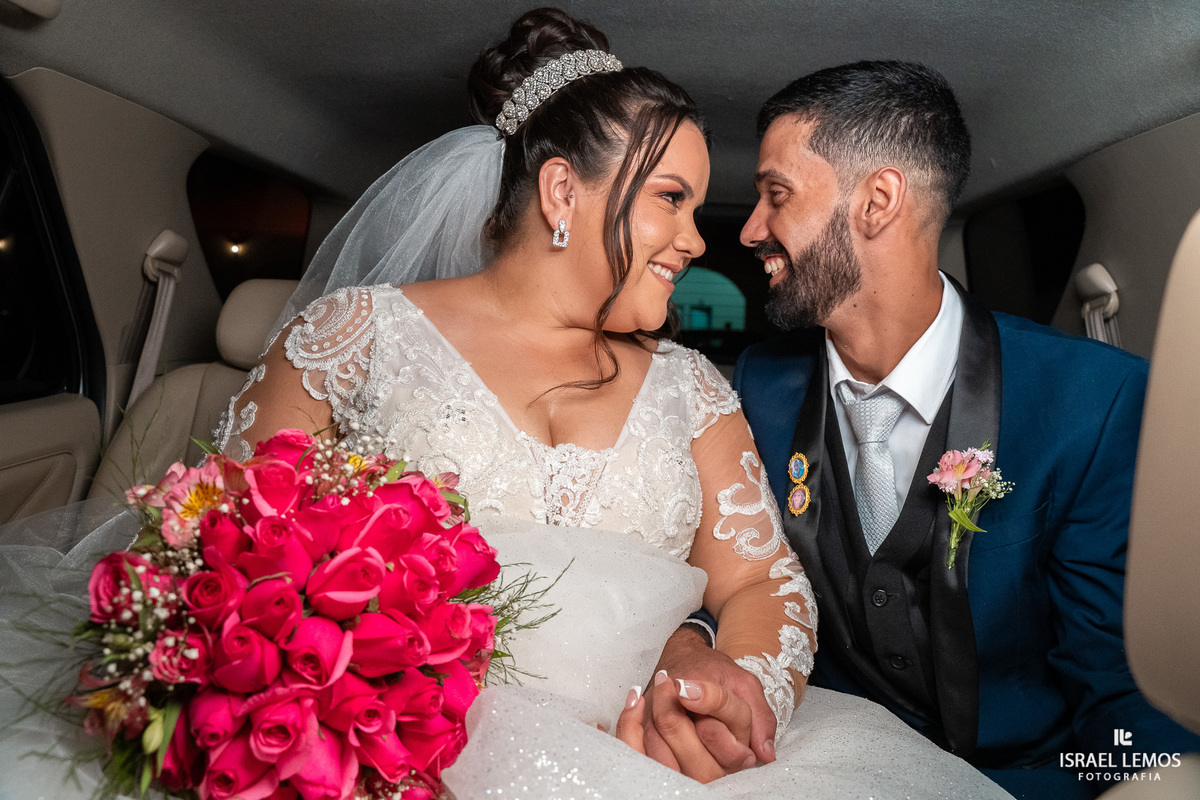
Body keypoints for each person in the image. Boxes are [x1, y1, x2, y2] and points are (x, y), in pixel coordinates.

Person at [0, 12, 1009, 800]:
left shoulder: (694, 390)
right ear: (564, 191)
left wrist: (730, 683)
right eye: (670, 198)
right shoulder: (355, 339)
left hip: (644, 757)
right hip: (377, 753)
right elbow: (217, 553)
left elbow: (760, 582)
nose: (699, 239)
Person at [733, 60, 1200, 800]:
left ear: (878, 201)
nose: (751, 229)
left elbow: (1120, 680)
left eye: (775, 195)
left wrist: (1145, 785)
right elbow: (730, 580)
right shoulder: (757, 386)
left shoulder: (1092, 401)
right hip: (812, 770)